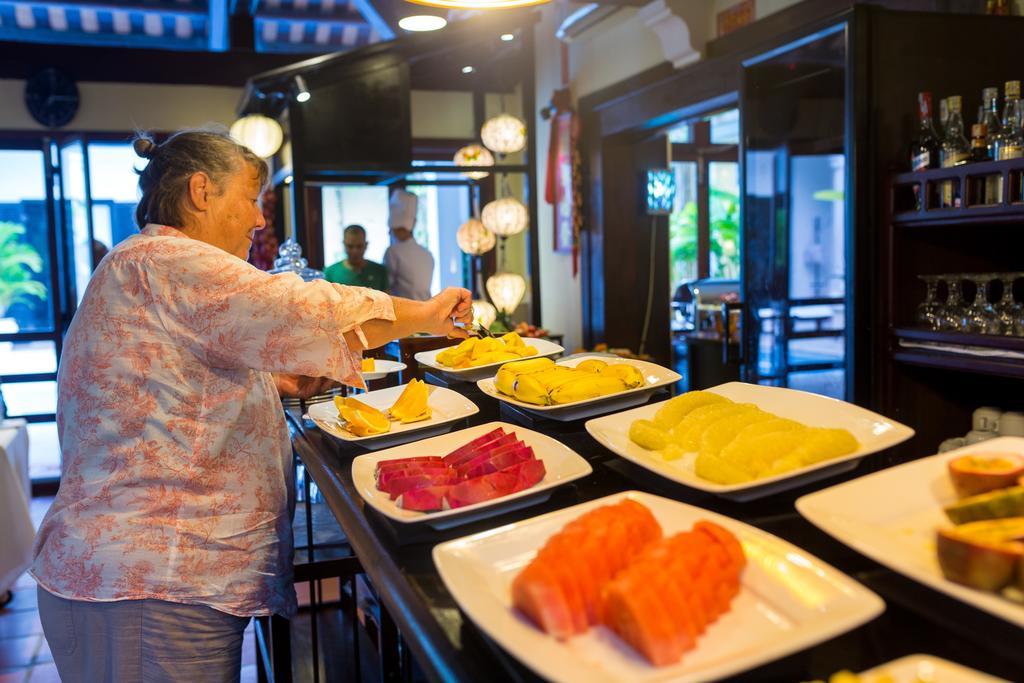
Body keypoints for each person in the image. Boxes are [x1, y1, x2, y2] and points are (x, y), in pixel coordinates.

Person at [30, 129, 472, 683]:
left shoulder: (147, 266)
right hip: (152, 580)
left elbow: (174, 381)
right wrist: (428, 314)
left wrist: (274, 384)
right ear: (201, 191)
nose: (259, 220)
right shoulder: (165, 258)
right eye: (251, 199)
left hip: (159, 579)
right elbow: (298, 304)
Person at [383, 189, 434, 301]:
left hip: (404, 312)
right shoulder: (427, 254)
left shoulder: (392, 252)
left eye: (392, 230)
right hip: (427, 311)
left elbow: (386, 286)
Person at [323, 224, 388, 291]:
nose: (355, 251)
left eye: (359, 246)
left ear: (366, 245)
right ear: (344, 245)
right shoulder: (330, 272)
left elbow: (387, 298)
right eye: (350, 246)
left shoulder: (380, 271)